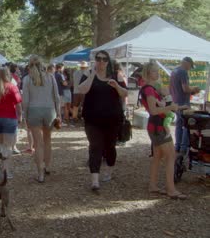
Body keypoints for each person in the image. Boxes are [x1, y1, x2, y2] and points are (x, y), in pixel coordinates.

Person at [78, 50, 128, 191]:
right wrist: (93, 74)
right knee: (95, 146)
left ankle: (109, 171)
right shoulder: (88, 73)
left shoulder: (116, 75)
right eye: (98, 59)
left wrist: (116, 86)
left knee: (109, 147)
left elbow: (125, 93)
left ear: (108, 61)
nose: (101, 62)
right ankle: (95, 180)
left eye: (104, 59)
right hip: (92, 119)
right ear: (95, 60)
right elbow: (82, 90)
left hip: (112, 119)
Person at [140, 62, 187, 199]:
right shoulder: (149, 89)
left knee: (158, 156)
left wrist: (172, 107)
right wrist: (170, 108)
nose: (158, 73)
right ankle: (171, 189)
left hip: (155, 126)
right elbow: (154, 111)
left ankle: (153, 185)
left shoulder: (151, 88)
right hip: (158, 127)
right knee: (171, 156)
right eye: (155, 71)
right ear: (149, 73)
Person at [22, 56, 61, 183]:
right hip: (49, 110)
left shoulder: (27, 79)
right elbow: (56, 97)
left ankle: (40, 173)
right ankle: (47, 167)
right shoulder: (50, 77)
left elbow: (25, 101)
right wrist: (59, 114)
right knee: (47, 140)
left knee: (37, 144)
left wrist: (25, 115)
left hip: (34, 110)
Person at [0, 67, 22, 179]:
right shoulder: (12, 87)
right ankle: (5, 171)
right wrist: (20, 116)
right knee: (8, 146)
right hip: (9, 117)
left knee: (1, 144)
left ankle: (1, 168)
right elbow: (18, 104)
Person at [170, 57, 200, 157]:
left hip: (176, 101)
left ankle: (177, 146)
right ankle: (183, 147)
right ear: (187, 63)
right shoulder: (183, 72)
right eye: (190, 66)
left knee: (179, 124)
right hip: (183, 102)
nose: (190, 69)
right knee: (187, 125)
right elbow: (185, 89)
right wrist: (194, 89)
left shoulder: (174, 71)